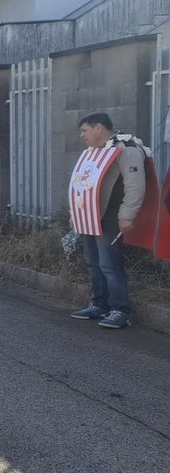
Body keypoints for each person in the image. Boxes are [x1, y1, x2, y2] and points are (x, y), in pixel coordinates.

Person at [69, 112, 147, 329]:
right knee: (93, 264)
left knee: (109, 265)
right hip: (90, 217)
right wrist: (75, 213)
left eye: (84, 130)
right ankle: (99, 305)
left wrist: (126, 215)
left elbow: (135, 185)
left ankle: (121, 310)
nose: (82, 135)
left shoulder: (127, 149)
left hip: (112, 218)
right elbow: (82, 185)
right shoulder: (93, 153)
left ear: (98, 128)